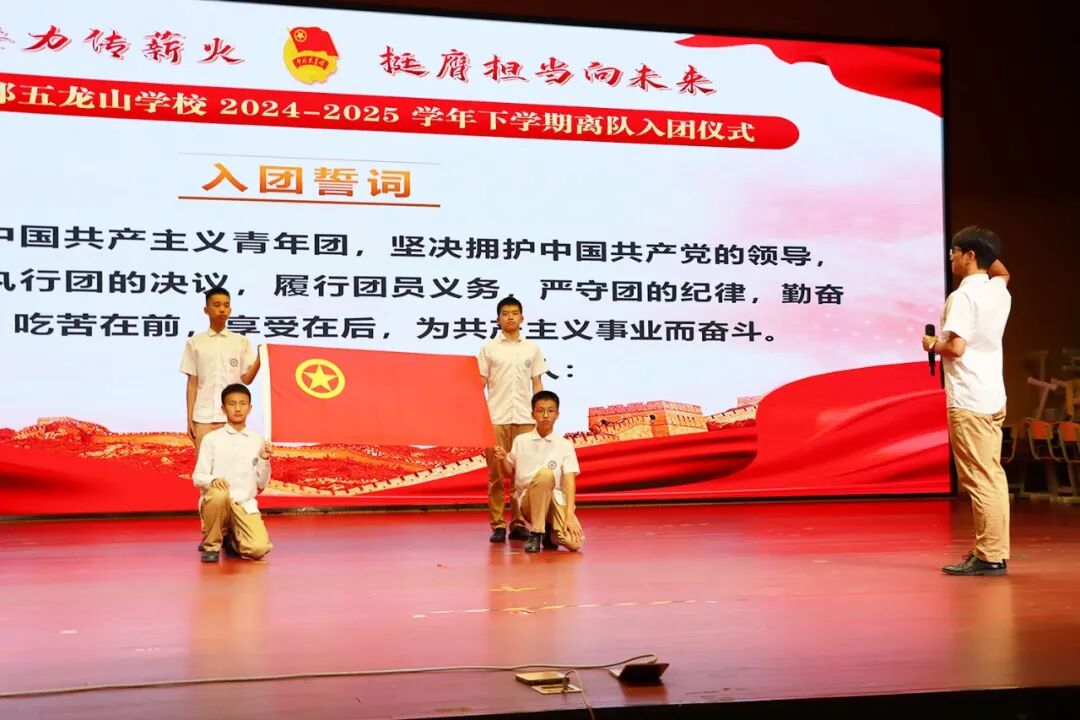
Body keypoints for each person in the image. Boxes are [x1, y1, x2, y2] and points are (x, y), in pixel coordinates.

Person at [923, 226, 1012, 576]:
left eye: (956, 252)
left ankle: (989, 555)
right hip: (992, 395)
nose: (951, 258)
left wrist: (932, 345)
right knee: (992, 476)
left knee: (979, 479)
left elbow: (956, 348)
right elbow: (1003, 272)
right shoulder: (997, 289)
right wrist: (987, 251)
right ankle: (994, 550)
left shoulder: (963, 296)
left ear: (970, 256)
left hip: (969, 398)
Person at [478, 296, 548, 543]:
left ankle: (518, 523)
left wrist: (540, 414)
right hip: (496, 418)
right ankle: (498, 524)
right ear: (498, 319)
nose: (510, 317)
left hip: (525, 418)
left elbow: (537, 383)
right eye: (505, 313)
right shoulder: (488, 349)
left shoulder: (532, 349)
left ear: (522, 318)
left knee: (522, 474)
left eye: (514, 313)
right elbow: (479, 383)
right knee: (496, 474)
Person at [493, 391, 584, 553]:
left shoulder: (565, 445)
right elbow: (509, 472)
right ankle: (536, 533)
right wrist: (503, 459)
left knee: (575, 543)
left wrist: (570, 515)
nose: (545, 415)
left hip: (555, 501)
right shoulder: (521, 441)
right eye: (540, 411)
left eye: (550, 411)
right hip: (529, 502)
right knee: (545, 475)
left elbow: (570, 481)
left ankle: (550, 534)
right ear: (532, 414)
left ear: (557, 415)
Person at [193, 383, 273, 563]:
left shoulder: (257, 440)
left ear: (250, 408)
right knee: (218, 495)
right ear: (223, 409)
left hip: (243, 504)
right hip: (218, 502)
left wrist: (264, 459)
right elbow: (198, 477)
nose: (238, 408)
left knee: (258, 549)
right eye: (232, 403)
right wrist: (213, 480)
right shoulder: (212, 439)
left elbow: (261, 483)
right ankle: (211, 545)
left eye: (242, 404)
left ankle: (232, 539)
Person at [180, 288, 260, 458]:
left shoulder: (241, 342)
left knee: (233, 466)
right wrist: (189, 419)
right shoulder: (195, 342)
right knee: (205, 468)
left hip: (231, 418)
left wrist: (260, 359)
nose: (222, 309)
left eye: (226, 305)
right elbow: (192, 383)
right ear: (206, 310)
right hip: (202, 418)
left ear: (230, 310)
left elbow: (247, 379)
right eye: (216, 305)